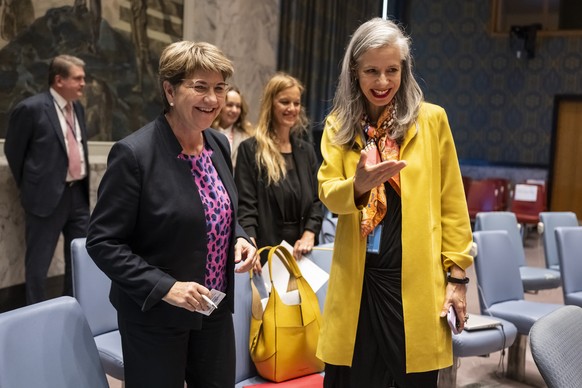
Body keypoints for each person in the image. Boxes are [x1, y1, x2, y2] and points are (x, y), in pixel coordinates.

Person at [85, 41, 257, 388]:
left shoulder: (218, 144)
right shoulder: (134, 154)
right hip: (157, 316)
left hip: (214, 309)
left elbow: (218, 209)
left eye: (219, 88)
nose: (212, 99)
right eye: (200, 87)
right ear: (170, 90)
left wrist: (239, 236)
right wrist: (167, 288)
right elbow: (103, 242)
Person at [316, 18, 473, 387]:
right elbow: (328, 191)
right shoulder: (340, 125)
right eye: (371, 70)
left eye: (392, 70)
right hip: (359, 281)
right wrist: (357, 186)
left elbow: (453, 204)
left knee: (410, 377)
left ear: (405, 69)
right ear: (355, 71)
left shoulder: (432, 121)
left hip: (413, 282)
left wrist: (458, 277)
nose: (382, 82)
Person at [4, 54, 90, 304]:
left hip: (78, 196)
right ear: (59, 80)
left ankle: (74, 308)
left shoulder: (79, 109)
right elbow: (14, 151)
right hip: (45, 197)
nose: (84, 83)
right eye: (78, 78)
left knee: (80, 259)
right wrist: (32, 186)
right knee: (38, 264)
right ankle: (36, 316)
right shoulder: (31, 109)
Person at [234, 72, 323, 264]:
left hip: (302, 254)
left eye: (296, 103)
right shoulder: (250, 150)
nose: (292, 108)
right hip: (265, 253)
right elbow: (246, 206)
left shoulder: (306, 151)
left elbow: (317, 201)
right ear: (270, 104)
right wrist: (251, 246)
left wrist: (309, 233)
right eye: (285, 102)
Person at [211, 85, 253, 168]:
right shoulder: (205, 132)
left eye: (238, 106)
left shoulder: (246, 137)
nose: (234, 110)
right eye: (230, 105)